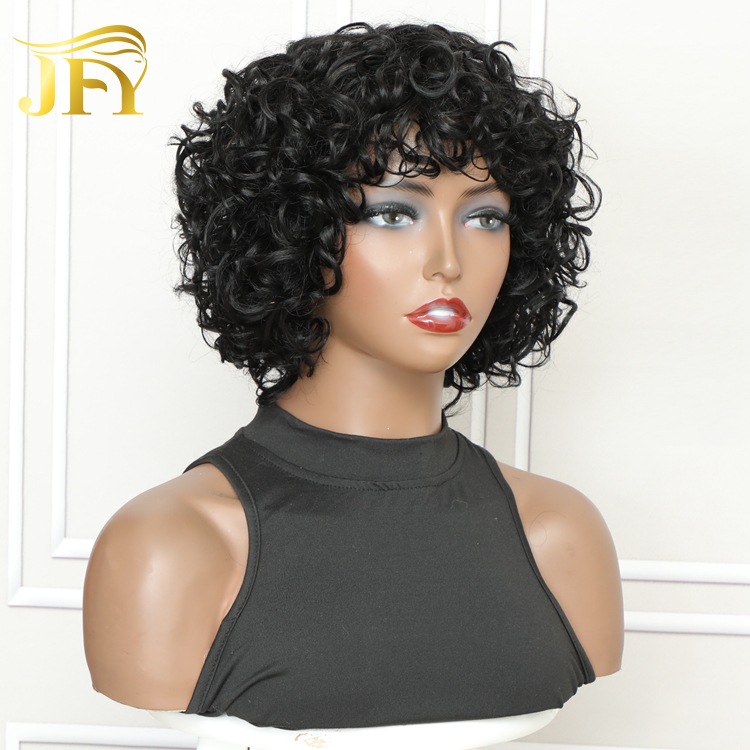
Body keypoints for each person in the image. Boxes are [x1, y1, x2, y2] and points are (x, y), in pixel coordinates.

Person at [83, 21, 623, 734]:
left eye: (485, 218)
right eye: (394, 213)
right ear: (294, 229)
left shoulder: (559, 534)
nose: (448, 261)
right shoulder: (170, 545)